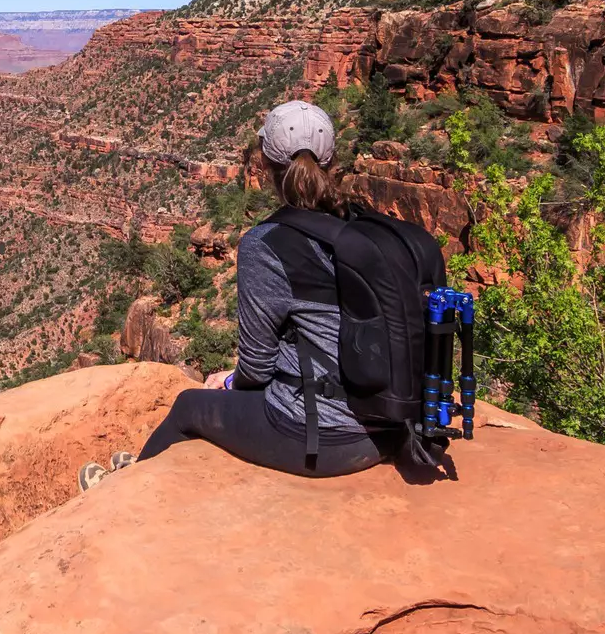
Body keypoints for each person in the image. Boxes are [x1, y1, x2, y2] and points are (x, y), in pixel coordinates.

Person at [78, 99, 389, 491]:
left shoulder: (267, 244)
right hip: (387, 425)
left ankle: (123, 490)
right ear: (332, 162)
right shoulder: (363, 229)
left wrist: (229, 383)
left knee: (188, 407)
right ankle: (146, 467)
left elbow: (257, 368)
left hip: (325, 436)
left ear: (267, 167)